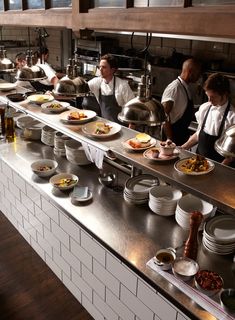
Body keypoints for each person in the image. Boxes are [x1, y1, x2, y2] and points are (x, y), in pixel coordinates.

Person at [181, 73, 235, 167]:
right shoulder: (205, 108)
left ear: (225, 94)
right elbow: (198, 134)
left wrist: (219, 169)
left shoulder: (232, 117)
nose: (209, 100)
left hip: (219, 166)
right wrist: (182, 148)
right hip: (198, 163)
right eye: (207, 96)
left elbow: (231, 154)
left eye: (213, 97)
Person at [82, 53, 135, 123]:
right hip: (105, 124)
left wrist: (131, 128)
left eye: (104, 67)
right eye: (99, 67)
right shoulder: (97, 82)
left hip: (121, 126)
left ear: (112, 70)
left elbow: (133, 109)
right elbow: (81, 87)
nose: (100, 70)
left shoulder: (122, 85)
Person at [161, 58, 202, 145]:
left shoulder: (185, 87)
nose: (199, 77)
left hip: (181, 135)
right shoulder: (174, 88)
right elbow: (164, 114)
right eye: (198, 73)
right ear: (190, 72)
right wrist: (169, 138)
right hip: (172, 137)